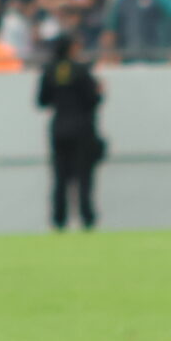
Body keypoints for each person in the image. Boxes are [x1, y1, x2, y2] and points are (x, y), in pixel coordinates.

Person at [37, 32, 105, 231]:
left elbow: (42, 101)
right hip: (82, 128)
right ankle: (87, 217)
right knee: (84, 175)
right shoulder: (82, 70)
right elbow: (92, 100)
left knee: (60, 177)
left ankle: (59, 219)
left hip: (59, 128)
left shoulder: (49, 70)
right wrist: (99, 92)